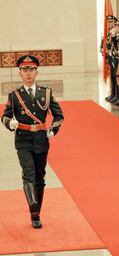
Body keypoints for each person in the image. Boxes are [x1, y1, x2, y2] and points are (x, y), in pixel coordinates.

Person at [1, 55, 64, 229]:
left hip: (41, 139)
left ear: (36, 72)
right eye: (24, 70)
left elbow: (59, 115)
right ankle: (33, 208)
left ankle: (36, 211)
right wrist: (10, 123)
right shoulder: (14, 96)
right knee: (28, 173)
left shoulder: (46, 92)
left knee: (40, 178)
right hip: (23, 139)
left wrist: (53, 129)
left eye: (31, 70)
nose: (28, 73)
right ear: (19, 73)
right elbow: (5, 116)